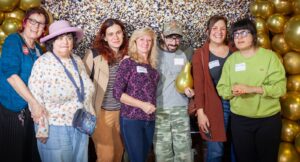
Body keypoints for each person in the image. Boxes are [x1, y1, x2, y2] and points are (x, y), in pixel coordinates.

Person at [217, 18, 286, 162]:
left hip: (268, 121)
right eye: (236, 34)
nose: (239, 37)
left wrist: (253, 89)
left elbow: (280, 89)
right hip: (240, 122)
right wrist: (232, 91)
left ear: (253, 36)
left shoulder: (269, 57)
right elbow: (222, 89)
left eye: (244, 33)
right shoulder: (231, 61)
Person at [28, 20, 95, 162]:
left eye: (69, 37)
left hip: (80, 126)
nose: (65, 42)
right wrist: (42, 128)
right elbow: (35, 98)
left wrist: (90, 118)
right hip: (55, 128)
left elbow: (86, 90)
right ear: (52, 41)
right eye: (60, 38)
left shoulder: (77, 60)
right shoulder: (42, 63)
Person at [0, 7, 49, 162]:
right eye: (33, 21)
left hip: (30, 112)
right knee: (13, 154)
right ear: (25, 22)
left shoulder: (39, 50)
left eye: (41, 24)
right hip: (12, 109)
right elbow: (11, 76)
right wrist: (33, 102)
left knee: (30, 154)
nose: (36, 26)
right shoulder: (13, 40)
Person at [83, 18, 128, 162]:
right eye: (110, 34)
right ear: (104, 37)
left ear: (123, 34)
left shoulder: (128, 56)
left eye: (118, 33)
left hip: (122, 114)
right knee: (106, 156)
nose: (115, 37)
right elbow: (82, 82)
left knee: (118, 154)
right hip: (101, 112)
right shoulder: (94, 54)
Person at [192, 15, 235, 162]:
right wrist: (201, 112)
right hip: (214, 106)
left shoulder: (234, 51)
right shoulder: (201, 55)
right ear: (208, 31)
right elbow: (198, 86)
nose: (219, 32)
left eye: (223, 28)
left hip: (238, 104)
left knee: (236, 148)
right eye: (215, 28)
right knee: (216, 151)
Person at [113, 27, 159, 162]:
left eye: (149, 40)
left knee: (143, 158)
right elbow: (117, 93)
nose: (145, 43)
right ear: (134, 41)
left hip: (149, 120)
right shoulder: (128, 62)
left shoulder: (153, 66)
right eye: (142, 39)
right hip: (131, 120)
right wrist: (142, 105)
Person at [154, 20, 194, 162]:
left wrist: (190, 91)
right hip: (159, 109)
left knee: (184, 152)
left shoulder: (185, 53)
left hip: (180, 108)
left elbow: (189, 78)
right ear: (162, 35)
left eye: (177, 37)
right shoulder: (153, 53)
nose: (174, 42)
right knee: (162, 152)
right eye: (170, 37)